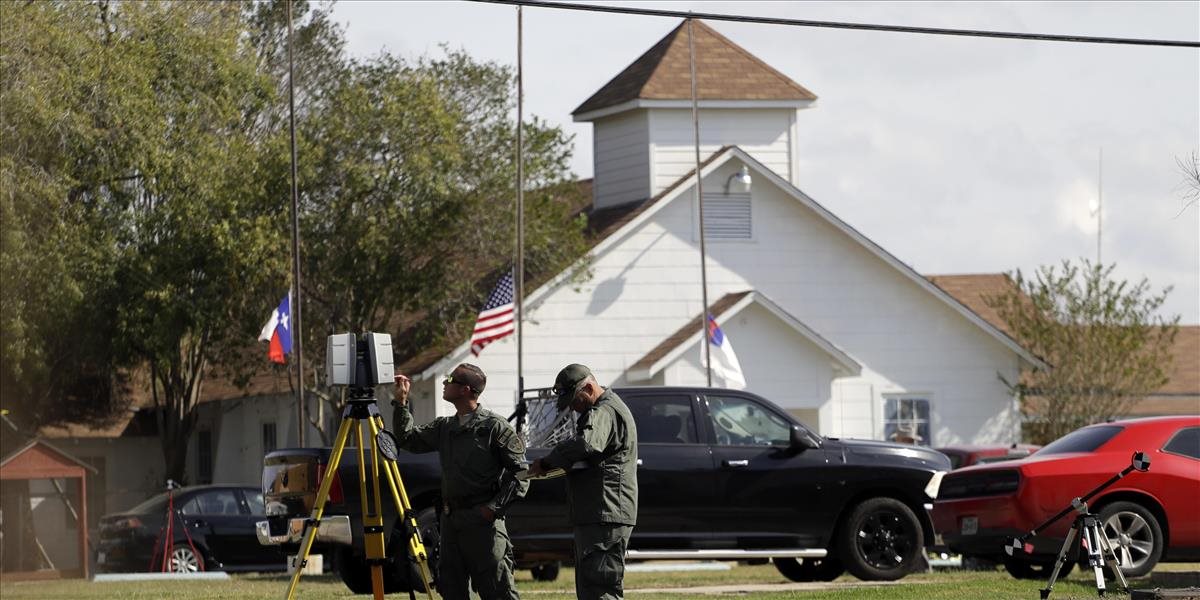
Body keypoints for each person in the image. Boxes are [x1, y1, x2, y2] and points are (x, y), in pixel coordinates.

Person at [392, 363, 528, 600]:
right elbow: (408, 439)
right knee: (452, 589)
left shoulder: (494, 427)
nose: (444, 384)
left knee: (497, 589)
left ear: (465, 390)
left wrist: (493, 509)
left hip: (483, 524)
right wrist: (402, 403)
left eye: (449, 380)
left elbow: (521, 473)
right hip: (451, 522)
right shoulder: (446, 427)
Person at [526, 364, 638, 600]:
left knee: (600, 589)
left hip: (605, 513)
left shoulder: (605, 411)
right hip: (598, 513)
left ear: (588, 387)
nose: (573, 409)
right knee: (590, 587)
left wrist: (548, 462)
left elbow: (586, 443)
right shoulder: (603, 410)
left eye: (574, 401)